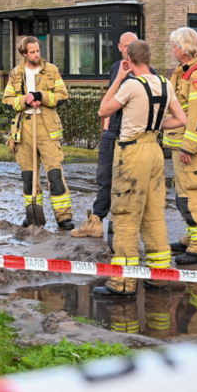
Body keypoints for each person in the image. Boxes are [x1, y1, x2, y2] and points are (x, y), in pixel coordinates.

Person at [93, 40, 187, 297]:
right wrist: (153, 125)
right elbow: (181, 119)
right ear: (149, 59)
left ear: (130, 60)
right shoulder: (165, 84)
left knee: (125, 215)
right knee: (154, 214)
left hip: (132, 153)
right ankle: (158, 277)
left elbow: (104, 110)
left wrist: (120, 78)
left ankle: (122, 282)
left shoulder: (132, 84)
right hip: (156, 152)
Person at [72, 32, 156, 239]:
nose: (129, 51)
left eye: (133, 46)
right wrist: (106, 130)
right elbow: (110, 99)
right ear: (120, 47)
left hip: (132, 137)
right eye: (126, 46)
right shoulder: (115, 69)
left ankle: (127, 227)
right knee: (104, 177)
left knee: (128, 183)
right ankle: (96, 221)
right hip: (113, 131)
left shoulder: (148, 73)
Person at [3, 36, 74, 230]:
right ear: (24, 53)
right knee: (28, 176)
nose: (37, 55)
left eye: (38, 51)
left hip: (47, 127)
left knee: (55, 173)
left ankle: (64, 217)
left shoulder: (51, 70)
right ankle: (33, 214)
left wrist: (41, 97)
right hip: (24, 128)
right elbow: (7, 100)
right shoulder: (16, 73)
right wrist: (24, 100)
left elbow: (62, 96)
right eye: (32, 52)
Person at [164, 27, 197, 265]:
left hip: (191, 151)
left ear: (185, 49)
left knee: (194, 196)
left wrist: (189, 147)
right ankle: (193, 237)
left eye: (175, 46)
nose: (173, 50)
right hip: (182, 148)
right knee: (184, 195)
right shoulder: (185, 72)